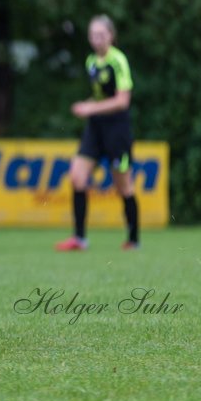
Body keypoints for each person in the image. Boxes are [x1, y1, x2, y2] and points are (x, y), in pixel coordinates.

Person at [55, 14, 140, 252]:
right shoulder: (91, 61)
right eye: (93, 35)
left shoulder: (118, 61)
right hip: (96, 127)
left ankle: (133, 239)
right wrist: (88, 104)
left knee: (123, 185)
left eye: (101, 35)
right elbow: (101, 97)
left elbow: (122, 101)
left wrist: (91, 107)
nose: (97, 39)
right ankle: (79, 238)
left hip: (117, 128)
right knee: (77, 178)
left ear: (111, 36)